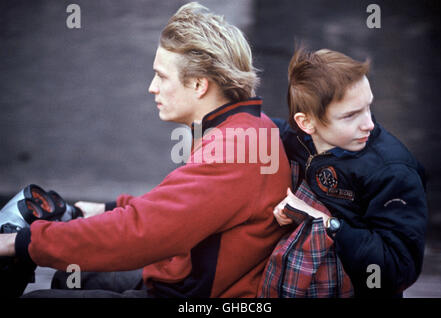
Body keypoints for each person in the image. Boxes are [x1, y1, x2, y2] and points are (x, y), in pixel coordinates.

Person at [0, 2, 291, 297]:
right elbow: (176, 209)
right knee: (74, 274)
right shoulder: (244, 127)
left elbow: (141, 232)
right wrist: (109, 208)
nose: (152, 87)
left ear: (199, 85)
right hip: (182, 274)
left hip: (191, 296)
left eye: (162, 77)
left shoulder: (237, 149)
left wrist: (19, 243)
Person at [271, 47, 428, 297]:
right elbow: (255, 129)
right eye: (351, 115)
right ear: (306, 123)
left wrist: (328, 224)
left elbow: (399, 269)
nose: (369, 123)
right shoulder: (293, 138)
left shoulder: (393, 172)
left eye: (368, 107)